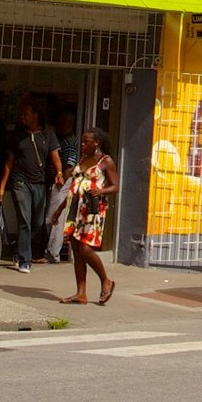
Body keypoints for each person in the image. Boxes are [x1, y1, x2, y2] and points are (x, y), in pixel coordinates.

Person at [0, 99, 58, 273]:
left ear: (36, 115)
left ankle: (19, 251)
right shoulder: (18, 135)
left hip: (39, 183)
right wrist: (2, 186)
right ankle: (25, 259)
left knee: (38, 221)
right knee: (24, 220)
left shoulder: (47, 134)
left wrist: (60, 174)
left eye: (26, 114)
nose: (23, 117)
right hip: (20, 182)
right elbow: (9, 162)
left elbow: (55, 157)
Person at [61, 128, 116, 306]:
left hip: (92, 210)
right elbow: (75, 185)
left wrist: (100, 191)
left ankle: (106, 280)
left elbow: (115, 186)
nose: (82, 145)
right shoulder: (83, 159)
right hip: (75, 208)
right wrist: (59, 210)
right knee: (76, 251)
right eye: (82, 142)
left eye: (86, 142)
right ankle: (81, 293)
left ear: (96, 142)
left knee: (85, 250)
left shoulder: (105, 161)